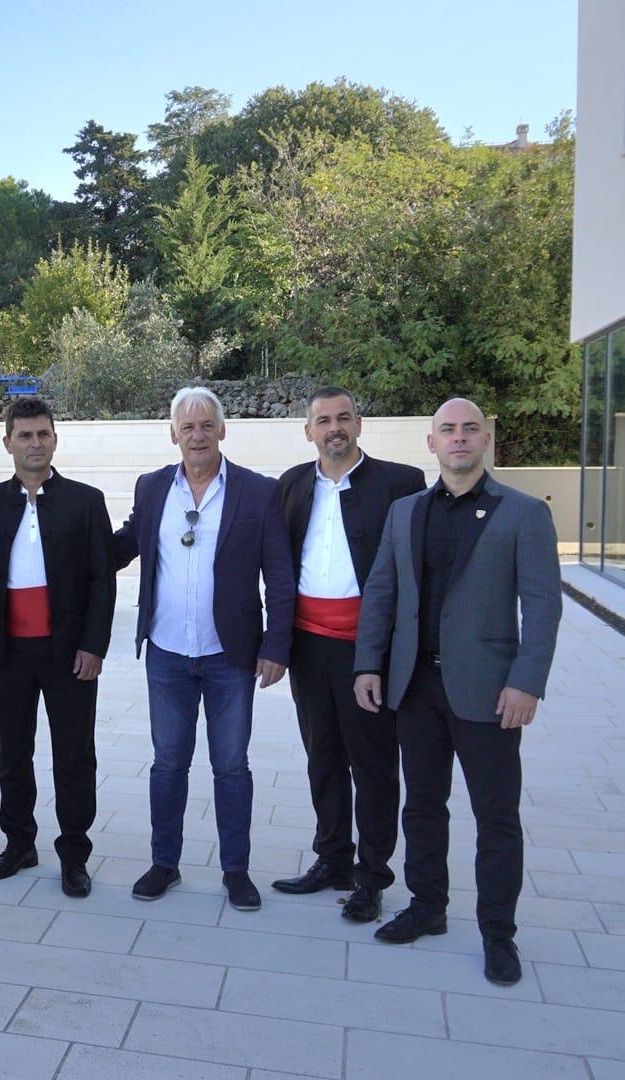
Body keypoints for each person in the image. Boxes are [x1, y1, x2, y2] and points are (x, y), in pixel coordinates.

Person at [354, 398, 561, 985]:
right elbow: (381, 592)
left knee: (496, 818)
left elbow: (543, 605)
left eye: (470, 428)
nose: (460, 437)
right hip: (415, 688)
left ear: (485, 439)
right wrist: (369, 665)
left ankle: (499, 933)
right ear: (432, 443)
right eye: (448, 430)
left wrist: (526, 681)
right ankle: (428, 907)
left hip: (489, 693)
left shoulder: (523, 513)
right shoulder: (405, 512)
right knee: (422, 806)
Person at [114, 386, 294, 912]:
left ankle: (235, 870)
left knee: (231, 766)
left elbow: (279, 576)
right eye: (188, 427)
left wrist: (276, 645)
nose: (197, 435)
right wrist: (71, 550)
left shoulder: (257, 492)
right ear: (173, 434)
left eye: (206, 425)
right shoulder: (152, 488)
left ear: (222, 430)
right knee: (168, 763)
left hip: (229, 655)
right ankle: (164, 863)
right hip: (167, 652)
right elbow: (125, 543)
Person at [271, 386, 425, 922]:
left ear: (359, 424)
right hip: (308, 646)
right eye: (323, 420)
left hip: (368, 652)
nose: (334, 427)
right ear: (307, 431)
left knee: (374, 764)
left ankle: (372, 877)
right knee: (323, 756)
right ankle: (333, 858)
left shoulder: (400, 484)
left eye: (343, 417)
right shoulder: (292, 485)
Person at [0, 396, 114, 898]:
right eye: (24, 435)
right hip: (6, 654)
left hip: (68, 654)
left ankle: (74, 855)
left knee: (74, 757)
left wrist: (94, 646)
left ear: (55, 439)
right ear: (7, 443)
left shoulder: (86, 501)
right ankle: (19, 844)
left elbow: (102, 580)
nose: (34, 443)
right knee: (13, 754)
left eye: (42, 434)